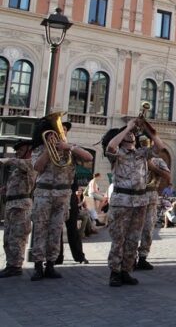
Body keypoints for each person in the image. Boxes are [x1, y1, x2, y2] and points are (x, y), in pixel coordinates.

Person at [102, 119, 166, 287]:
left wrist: (148, 130)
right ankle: (115, 272)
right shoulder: (117, 154)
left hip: (140, 201)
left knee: (133, 239)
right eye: (127, 134)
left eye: (132, 134)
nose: (131, 136)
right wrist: (128, 127)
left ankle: (126, 270)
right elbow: (110, 146)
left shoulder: (142, 153)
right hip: (121, 201)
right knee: (119, 239)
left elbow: (160, 147)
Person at [30, 115, 93, 281]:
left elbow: (88, 157)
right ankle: (38, 265)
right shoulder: (39, 148)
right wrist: (48, 148)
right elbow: (37, 167)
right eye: (58, 130)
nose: (60, 132)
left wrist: (68, 146)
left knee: (56, 230)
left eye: (63, 130)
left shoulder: (70, 150)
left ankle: (50, 264)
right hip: (44, 193)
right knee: (40, 230)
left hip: (63, 195)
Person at [0, 139, 35, 278]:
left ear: (29, 150)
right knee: (8, 237)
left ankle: (15, 266)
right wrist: (5, 189)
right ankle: (10, 264)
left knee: (17, 237)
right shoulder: (19, 166)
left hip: (21, 205)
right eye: (17, 151)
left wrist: (5, 159)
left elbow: (18, 163)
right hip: (11, 204)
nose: (18, 153)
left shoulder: (31, 163)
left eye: (21, 150)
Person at [136, 136, 171, 271]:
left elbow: (168, 177)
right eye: (142, 144)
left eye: (147, 144)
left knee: (148, 228)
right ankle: (129, 257)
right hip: (135, 195)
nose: (144, 146)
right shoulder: (135, 158)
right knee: (132, 229)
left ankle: (143, 257)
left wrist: (152, 167)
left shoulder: (158, 160)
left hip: (150, 195)